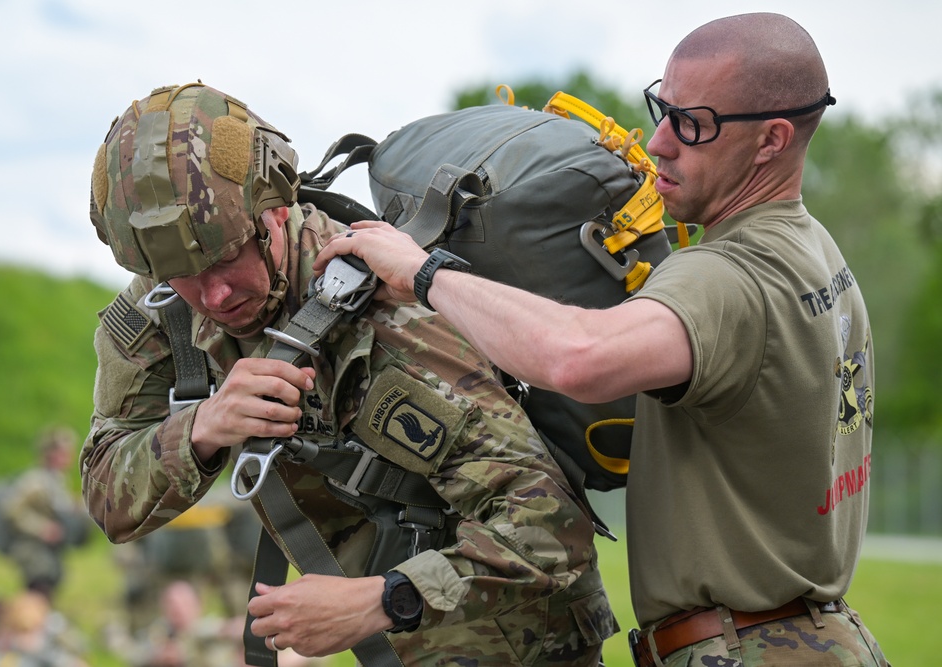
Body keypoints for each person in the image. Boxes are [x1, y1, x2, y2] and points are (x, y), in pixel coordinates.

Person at [314, 12, 889, 667]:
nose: (659, 142)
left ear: (771, 140)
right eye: (662, 108)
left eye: (693, 123)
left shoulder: (723, 276)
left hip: (747, 648)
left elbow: (579, 356)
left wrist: (423, 272)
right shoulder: (815, 251)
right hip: (820, 637)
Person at [82, 82, 612, 666]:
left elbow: (553, 530)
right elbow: (109, 500)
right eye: (178, 272)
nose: (213, 292)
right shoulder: (159, 315)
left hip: (512, 644)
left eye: (227, 255)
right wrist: (203, 427)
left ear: (276, 210)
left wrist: (382, 601)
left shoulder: (387, 317)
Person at [2, 426, 90, 600]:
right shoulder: (35, 481)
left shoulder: (58, 480)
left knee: (52, 581)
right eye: (63, 452)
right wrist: (42, 528)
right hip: (31, 547)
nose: (68, 457)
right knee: (39, 585)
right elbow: (11, 510)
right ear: (50, 454)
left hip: (50, 549)